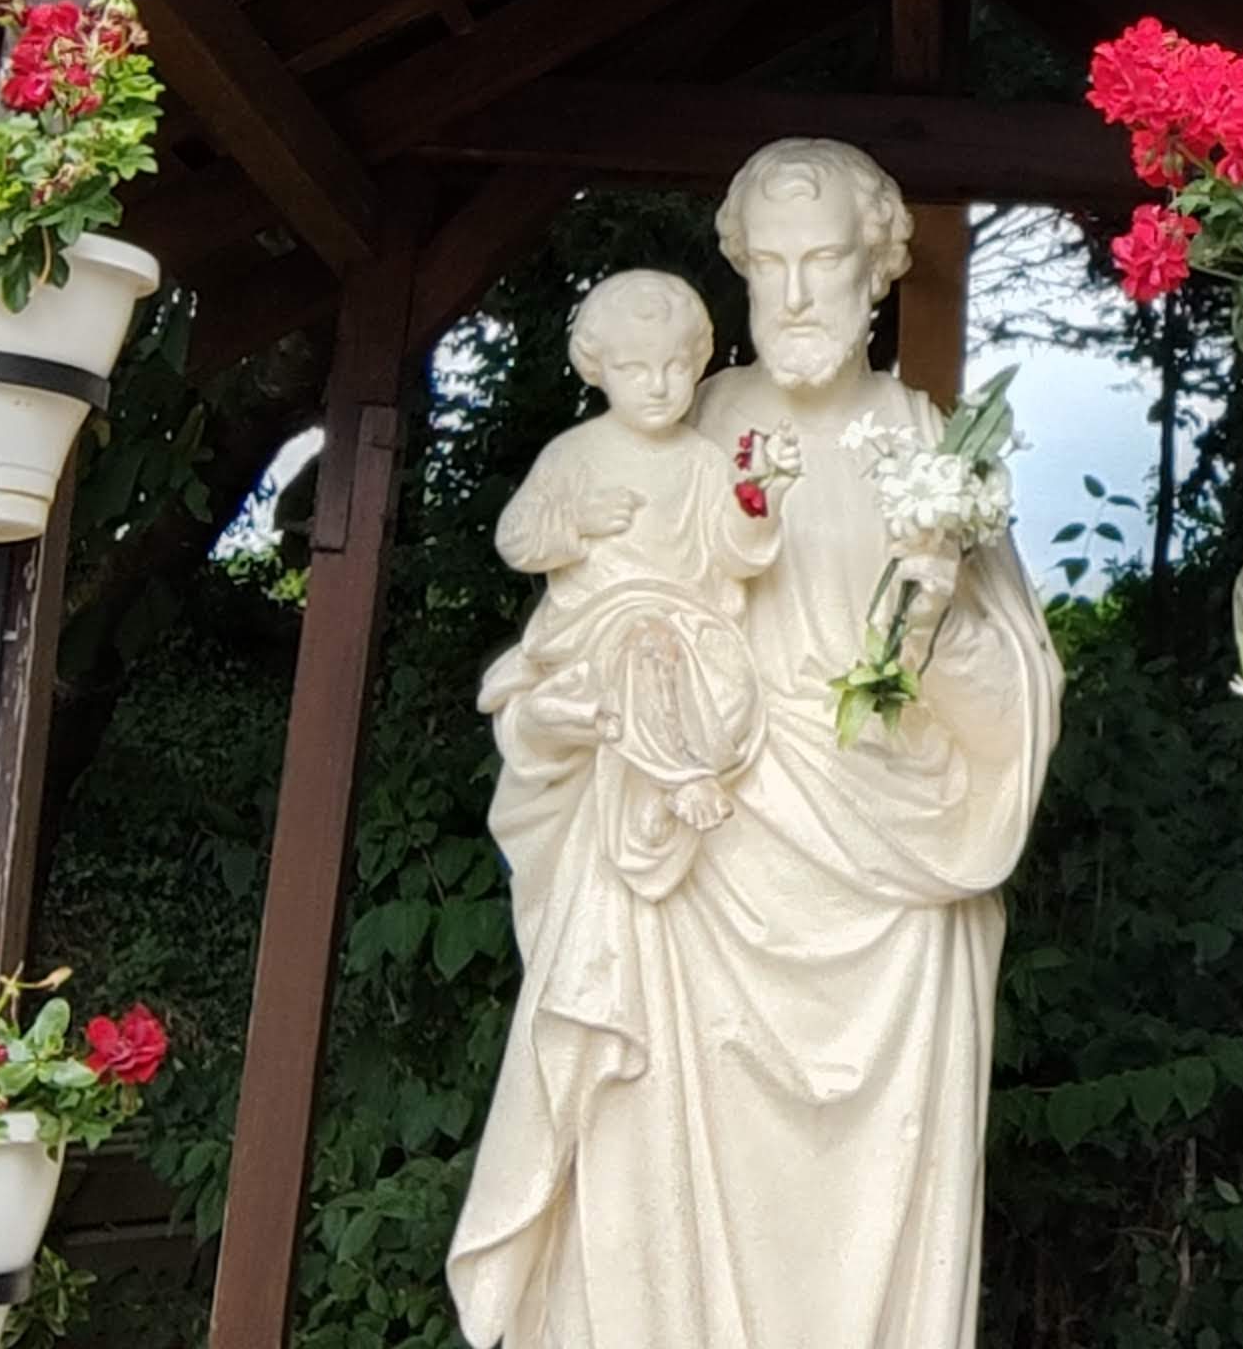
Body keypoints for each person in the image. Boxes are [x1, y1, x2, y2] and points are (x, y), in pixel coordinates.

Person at [447, 140, 1061, 1349]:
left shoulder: (932, 454)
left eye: (821, 260)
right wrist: (560, 719)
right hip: (695, 870)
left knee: (863, 1232)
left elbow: (1014, 714)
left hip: (887, 888)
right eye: (766, 265)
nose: (791, 294)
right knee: (648, 1192)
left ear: (877, 272)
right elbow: (576, 639)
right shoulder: (681, 427)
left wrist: (932, 617)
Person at [481, 268, 782, 891]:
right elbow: (516, 539)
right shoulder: (575, 454)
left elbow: (734, 556)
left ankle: (652, 799)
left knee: (705, 672)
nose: (658, 385)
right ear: (599, 369)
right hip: (596, 626)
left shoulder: (702, 461)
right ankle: (678, 776)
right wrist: (575, 521)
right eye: (634, 369)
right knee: (643, 641)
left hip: (692, 628)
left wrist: (759, 499)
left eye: (675, 367)